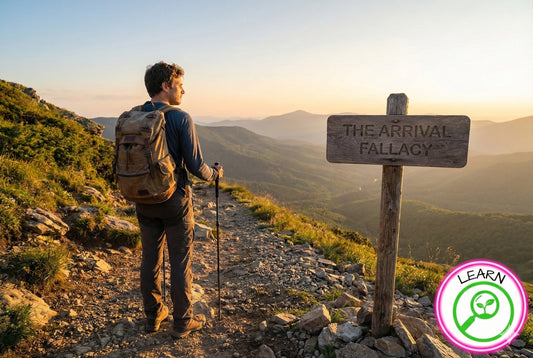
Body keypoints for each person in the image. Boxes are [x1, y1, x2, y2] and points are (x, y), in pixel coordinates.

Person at [135, 61, 223, 338]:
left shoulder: (135, 116)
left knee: (150, 258)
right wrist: (215, 174)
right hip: (174, 200)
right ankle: (183, 321)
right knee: (180, 261)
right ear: (165, 86)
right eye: (179, 85)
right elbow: (196, 166)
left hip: (143, 198)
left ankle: (153, 316)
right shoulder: (179, 117)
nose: (183, 90)